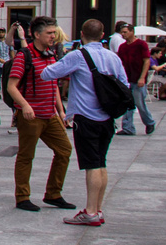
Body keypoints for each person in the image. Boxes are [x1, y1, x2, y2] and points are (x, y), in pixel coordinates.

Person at [42, 19, 127, 227]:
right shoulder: (112, 57)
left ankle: (89, 211)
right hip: (107, 118)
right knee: (101, 162)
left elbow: (47, 74)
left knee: (92, 165)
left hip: (86, 118)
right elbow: (124, 83)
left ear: (82, 34)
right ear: (103, 34)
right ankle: (97, 208)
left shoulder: (78, 56)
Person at [7, 15, 75, 214]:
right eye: (49, 33)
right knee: (26, 155)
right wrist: (25, 106)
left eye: (54, 32)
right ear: (36, 35)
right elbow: (12, 86)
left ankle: (53, 193)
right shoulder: (24, 55)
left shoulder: (51, 55)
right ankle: (22, 197)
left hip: (49, 115)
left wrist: (61, 110)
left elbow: (53, 84)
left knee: (64, 150)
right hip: (31, 116)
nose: (53, 36)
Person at [117, 24, 158, 135]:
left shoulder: (141, 44)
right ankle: (127, 127)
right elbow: (120, 63)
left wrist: (142, 77)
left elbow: (146, 61)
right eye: (122, 32)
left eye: (125, 32)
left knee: (139, 103)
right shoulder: (122, 47)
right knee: (128, 103)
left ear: (132, 32)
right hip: (127, 78)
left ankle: (149, 122)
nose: (123, 34)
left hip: (137, 78)